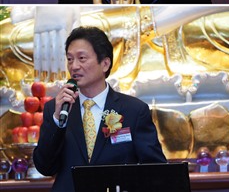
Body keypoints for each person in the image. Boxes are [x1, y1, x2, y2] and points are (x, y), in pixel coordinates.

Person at [33, 26, 166, 191]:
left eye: (82, 58)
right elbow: (45, 167)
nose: (74, 66)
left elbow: (156, 170)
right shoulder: (56, 109)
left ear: (105, 64)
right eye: (70, 59)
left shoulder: (134, 110)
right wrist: (57, 122)